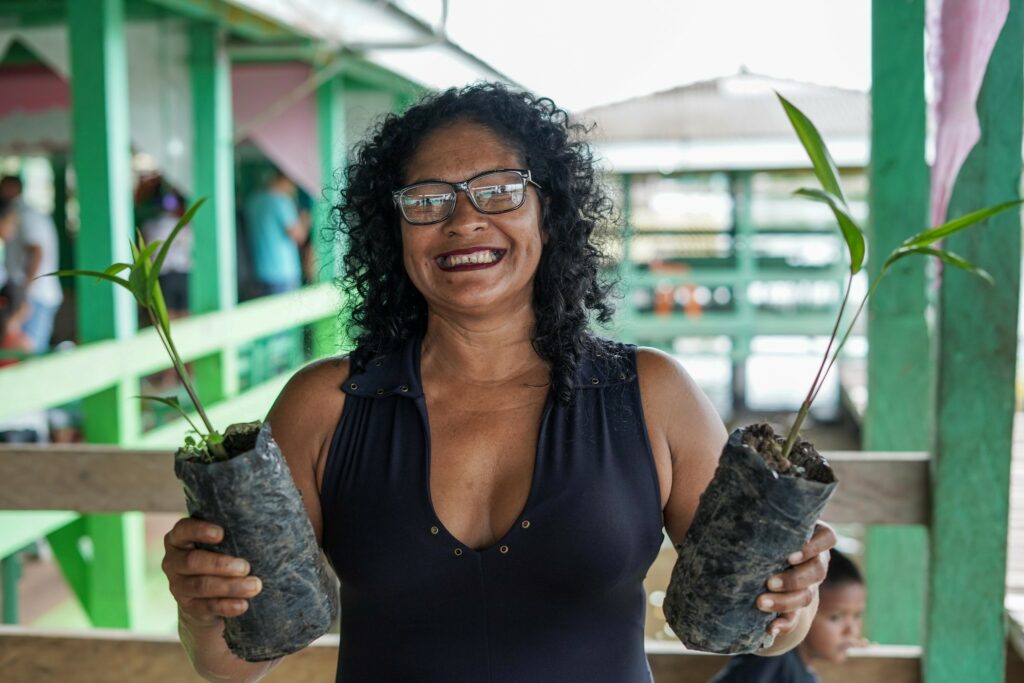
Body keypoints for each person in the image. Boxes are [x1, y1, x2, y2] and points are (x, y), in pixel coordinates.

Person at [161, 83, 835, 682]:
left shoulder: (653, 395)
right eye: (428, 199)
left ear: (549, 210)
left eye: (499, 190)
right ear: (394, 229)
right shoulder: (325, 407)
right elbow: (232, 661)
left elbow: (760, 624)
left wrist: (793, 598)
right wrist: (199, 609)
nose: (463, 220)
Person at [708, 548, 867, 683]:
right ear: (802, 606)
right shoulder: (769, 660)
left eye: (857, 616)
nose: (851, 630)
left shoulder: (797, 667)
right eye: (835, 617)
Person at [0, 175, 63, 352]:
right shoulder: (21, 211)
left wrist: (25, 292)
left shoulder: (25, 214)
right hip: (26, 294)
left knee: (28, 351)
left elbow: (37, 251)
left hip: (34, 295)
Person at [243, 168, 310, 296]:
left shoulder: (253, 200)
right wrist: (305, 219)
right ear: (285, 180)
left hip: (259, 272)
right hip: (284, 273)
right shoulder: (282, 201)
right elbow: (298, 236)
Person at [141, 191, 193, 319]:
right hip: (183, 273)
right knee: (185, 315)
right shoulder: (183, 226)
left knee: (166, 316)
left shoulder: (149, 226)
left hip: (163, 275)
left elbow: (145, 253)